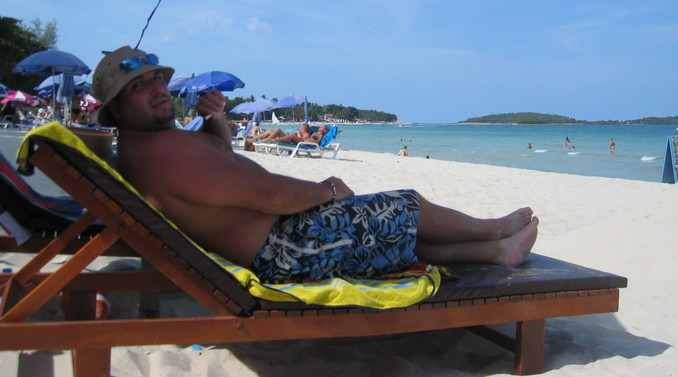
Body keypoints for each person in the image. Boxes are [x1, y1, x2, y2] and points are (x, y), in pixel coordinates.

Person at [92, 47, 538, 283]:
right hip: (287, 250)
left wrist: (216, 122)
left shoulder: (148, 147)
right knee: (404, 206)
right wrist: (327, 192)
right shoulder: (162, 151)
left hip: (277, 246)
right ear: (114, 109)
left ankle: (497, 252)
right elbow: (267, 195)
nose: (156, 89)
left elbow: (221, 162)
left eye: (156, 79)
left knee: (384, 232)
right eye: (138, 87)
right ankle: (490, 230)